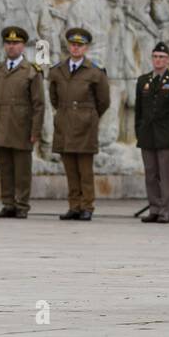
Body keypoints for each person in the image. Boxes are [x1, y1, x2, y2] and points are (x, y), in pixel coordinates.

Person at [49, 27, 111, 220]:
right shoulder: (58, 71)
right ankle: (74, 205)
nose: (75, 48)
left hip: (85, 126)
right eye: (73, 45)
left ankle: (87, 206)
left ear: (86, 48)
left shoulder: (95, 72)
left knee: (85, 171)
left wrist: (88, 115)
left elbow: (103, 101)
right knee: (70, 170)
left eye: (80, 45)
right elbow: (54, 98)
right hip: (65, 125)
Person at [0, 25, 44, 219]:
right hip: (0, 126)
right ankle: (8, 203)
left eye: (16, 43)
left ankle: (21, 204)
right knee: (5, 169)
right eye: (8, 43)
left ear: (23, 46)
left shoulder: (31, 71)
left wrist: (35, 130)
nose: (11, 47)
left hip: (21, 127)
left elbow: (39, 105)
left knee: (22, 171)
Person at [134, 41, 169, 223]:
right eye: (155, 57)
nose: (158, 60)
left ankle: (166, 210)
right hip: (147, 134)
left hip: (167, 135)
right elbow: (139, 111)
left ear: (168, 60)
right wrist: (138, 132)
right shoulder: (143, 81)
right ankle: (154, 208)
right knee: (150, 174)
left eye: (162, 57)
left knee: (166, 175)